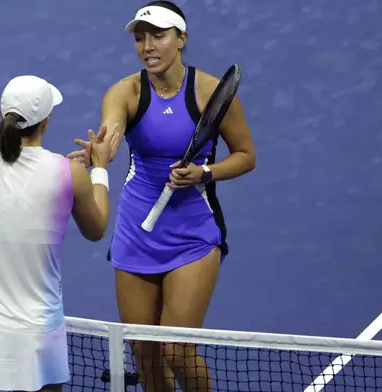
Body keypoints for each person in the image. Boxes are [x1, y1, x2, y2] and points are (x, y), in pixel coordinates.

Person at [67, 1, 257, 391]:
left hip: (193, 232)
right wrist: (99, 154)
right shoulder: (125, 92)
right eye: (140, 38)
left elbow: (246, 156)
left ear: (181, 39)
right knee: (144, 352)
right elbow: (111, 134)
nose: (147, 46)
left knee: (176, 350)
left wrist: (204, 172)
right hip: (137, 230)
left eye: (158, 36)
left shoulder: (209, 92)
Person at [0, 75, 120, 392]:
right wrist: (100, 167)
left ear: (2, 114)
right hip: (38, 339)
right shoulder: (70, 174)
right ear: (46, 122)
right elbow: (97, 229)